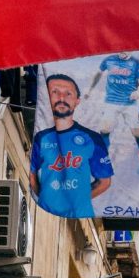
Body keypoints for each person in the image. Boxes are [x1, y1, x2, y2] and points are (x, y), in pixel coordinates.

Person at [30, 74, 113, 218]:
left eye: (68, 94)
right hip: (45, 209)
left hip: (80, 212)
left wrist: (75, 201)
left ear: (77, 101)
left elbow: (104, 181)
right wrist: (47, 198)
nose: (61, 98)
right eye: (55, 92)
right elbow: (32, 175)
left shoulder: (92, 139)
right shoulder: (41, 137)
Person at [85, 52, 139, 143]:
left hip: (129, 103)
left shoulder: (137, 63)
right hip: (111, 101)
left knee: (137, 133)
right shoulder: (109, 59)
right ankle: (105, 153)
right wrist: (90, 89)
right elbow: (98, 74)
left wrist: (138, 92)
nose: (122, 51)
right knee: (105, 129)